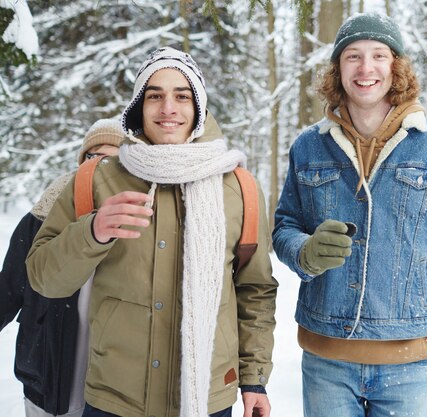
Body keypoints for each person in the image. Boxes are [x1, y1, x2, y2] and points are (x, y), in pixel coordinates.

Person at [272, 12, 427, 417]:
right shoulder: (308, 146)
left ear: (396, 67)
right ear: (337, 69)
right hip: (326, 355)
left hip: (407, 361)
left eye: (379, 55)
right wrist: (303, 250)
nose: (366, 68)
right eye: (353, 56)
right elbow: (284, 228)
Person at [26, 46, 278, 417]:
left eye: (182, 96)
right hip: (114, 397)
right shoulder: (94, 180)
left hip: (208, 398)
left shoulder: (239, 187)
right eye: (154, 95)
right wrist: (92, 232)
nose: (168, 108)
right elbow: (43, 278)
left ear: (199, 107)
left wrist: (254, 378)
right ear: (138, 107)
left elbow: (254, 291)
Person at [0, 118, 124, 417]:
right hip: (45, 370)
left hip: (112, 384)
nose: (98, 166)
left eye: (110, 158)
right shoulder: (47, 209)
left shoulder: (136, 215)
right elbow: (10, 286)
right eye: (92, 157)